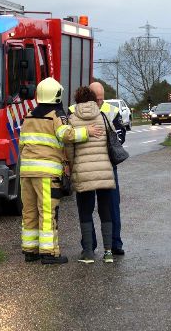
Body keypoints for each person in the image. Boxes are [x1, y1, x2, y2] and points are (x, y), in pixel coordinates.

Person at [19, 77, 102, 265]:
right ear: (56, 95)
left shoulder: (29, 115)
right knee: (47, 212)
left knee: (29, 211)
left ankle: (30, 250)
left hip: (26, 172)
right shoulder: (56, 115)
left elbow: (22, 143)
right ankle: (49, 253)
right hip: (46, 173)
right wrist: (87, 131)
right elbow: (66, 135)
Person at [69, 82, 126, 255]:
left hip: (85, 167)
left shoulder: (73, 114)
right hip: (105, 165)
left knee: (95, 208)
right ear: (92, 96)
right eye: (98, 98)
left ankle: (102, 247)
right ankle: (105, 248)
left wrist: (72, 166)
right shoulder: (99, 115)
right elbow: (115, 139)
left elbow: (68, 141)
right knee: (107, 207)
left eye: (102, 98)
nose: (100, 102)